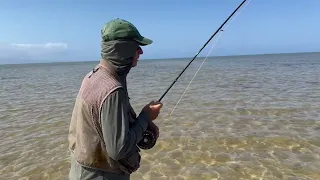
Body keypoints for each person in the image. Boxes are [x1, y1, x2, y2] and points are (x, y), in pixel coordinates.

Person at [68, 18, 163, 180]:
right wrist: (146, 117)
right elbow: (118, 149)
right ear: (123, 49)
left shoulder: (93, 76)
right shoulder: (113, 90)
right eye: (136, 46)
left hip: (82, 172)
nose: (141, 52)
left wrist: (140, 123)